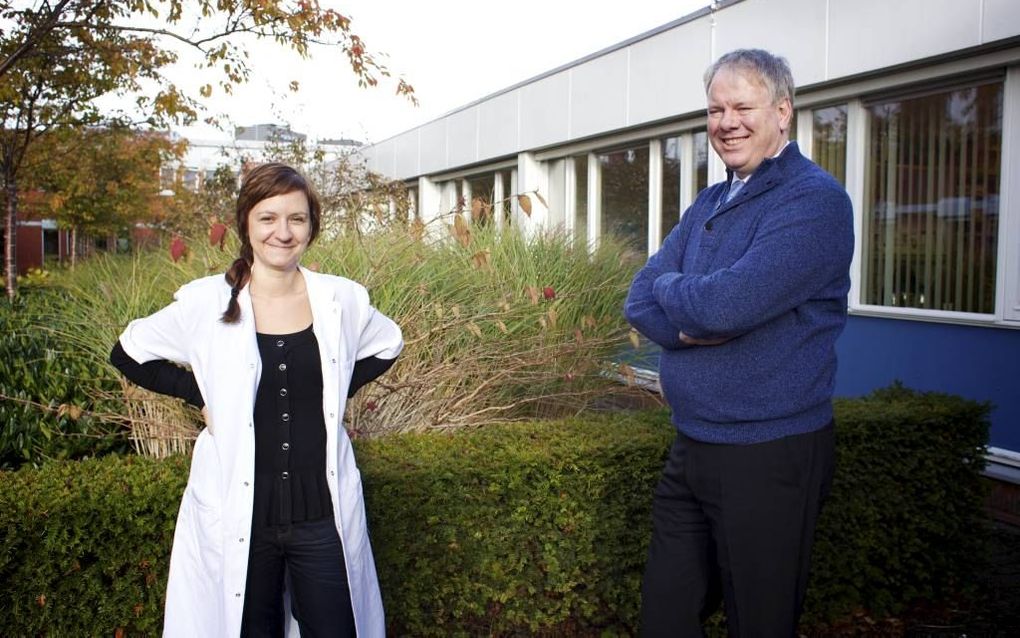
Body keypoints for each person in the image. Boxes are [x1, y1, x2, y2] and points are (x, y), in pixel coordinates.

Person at [110, 162, 402, 637]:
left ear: (312, 226)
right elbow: (128, 352)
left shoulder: (341, 299)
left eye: (297, 219)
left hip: (321, 514)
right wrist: (199, 395)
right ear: (247, 222)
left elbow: (389, 343)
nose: (282, 233)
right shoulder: (206, 302)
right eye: (268, 218)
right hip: (240, 513)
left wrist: (333, 388)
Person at [624, 49, 854, 636]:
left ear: (783, 112)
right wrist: (690, 316)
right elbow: (638, 299)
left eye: (742, 106)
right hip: (693, 444)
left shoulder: (814, 201)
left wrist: (683, 294)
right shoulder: (710, 200)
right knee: (667, 615)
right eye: (715, 109)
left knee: (759, 622)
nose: (727, 122)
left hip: (768, 451)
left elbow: (726, 305)